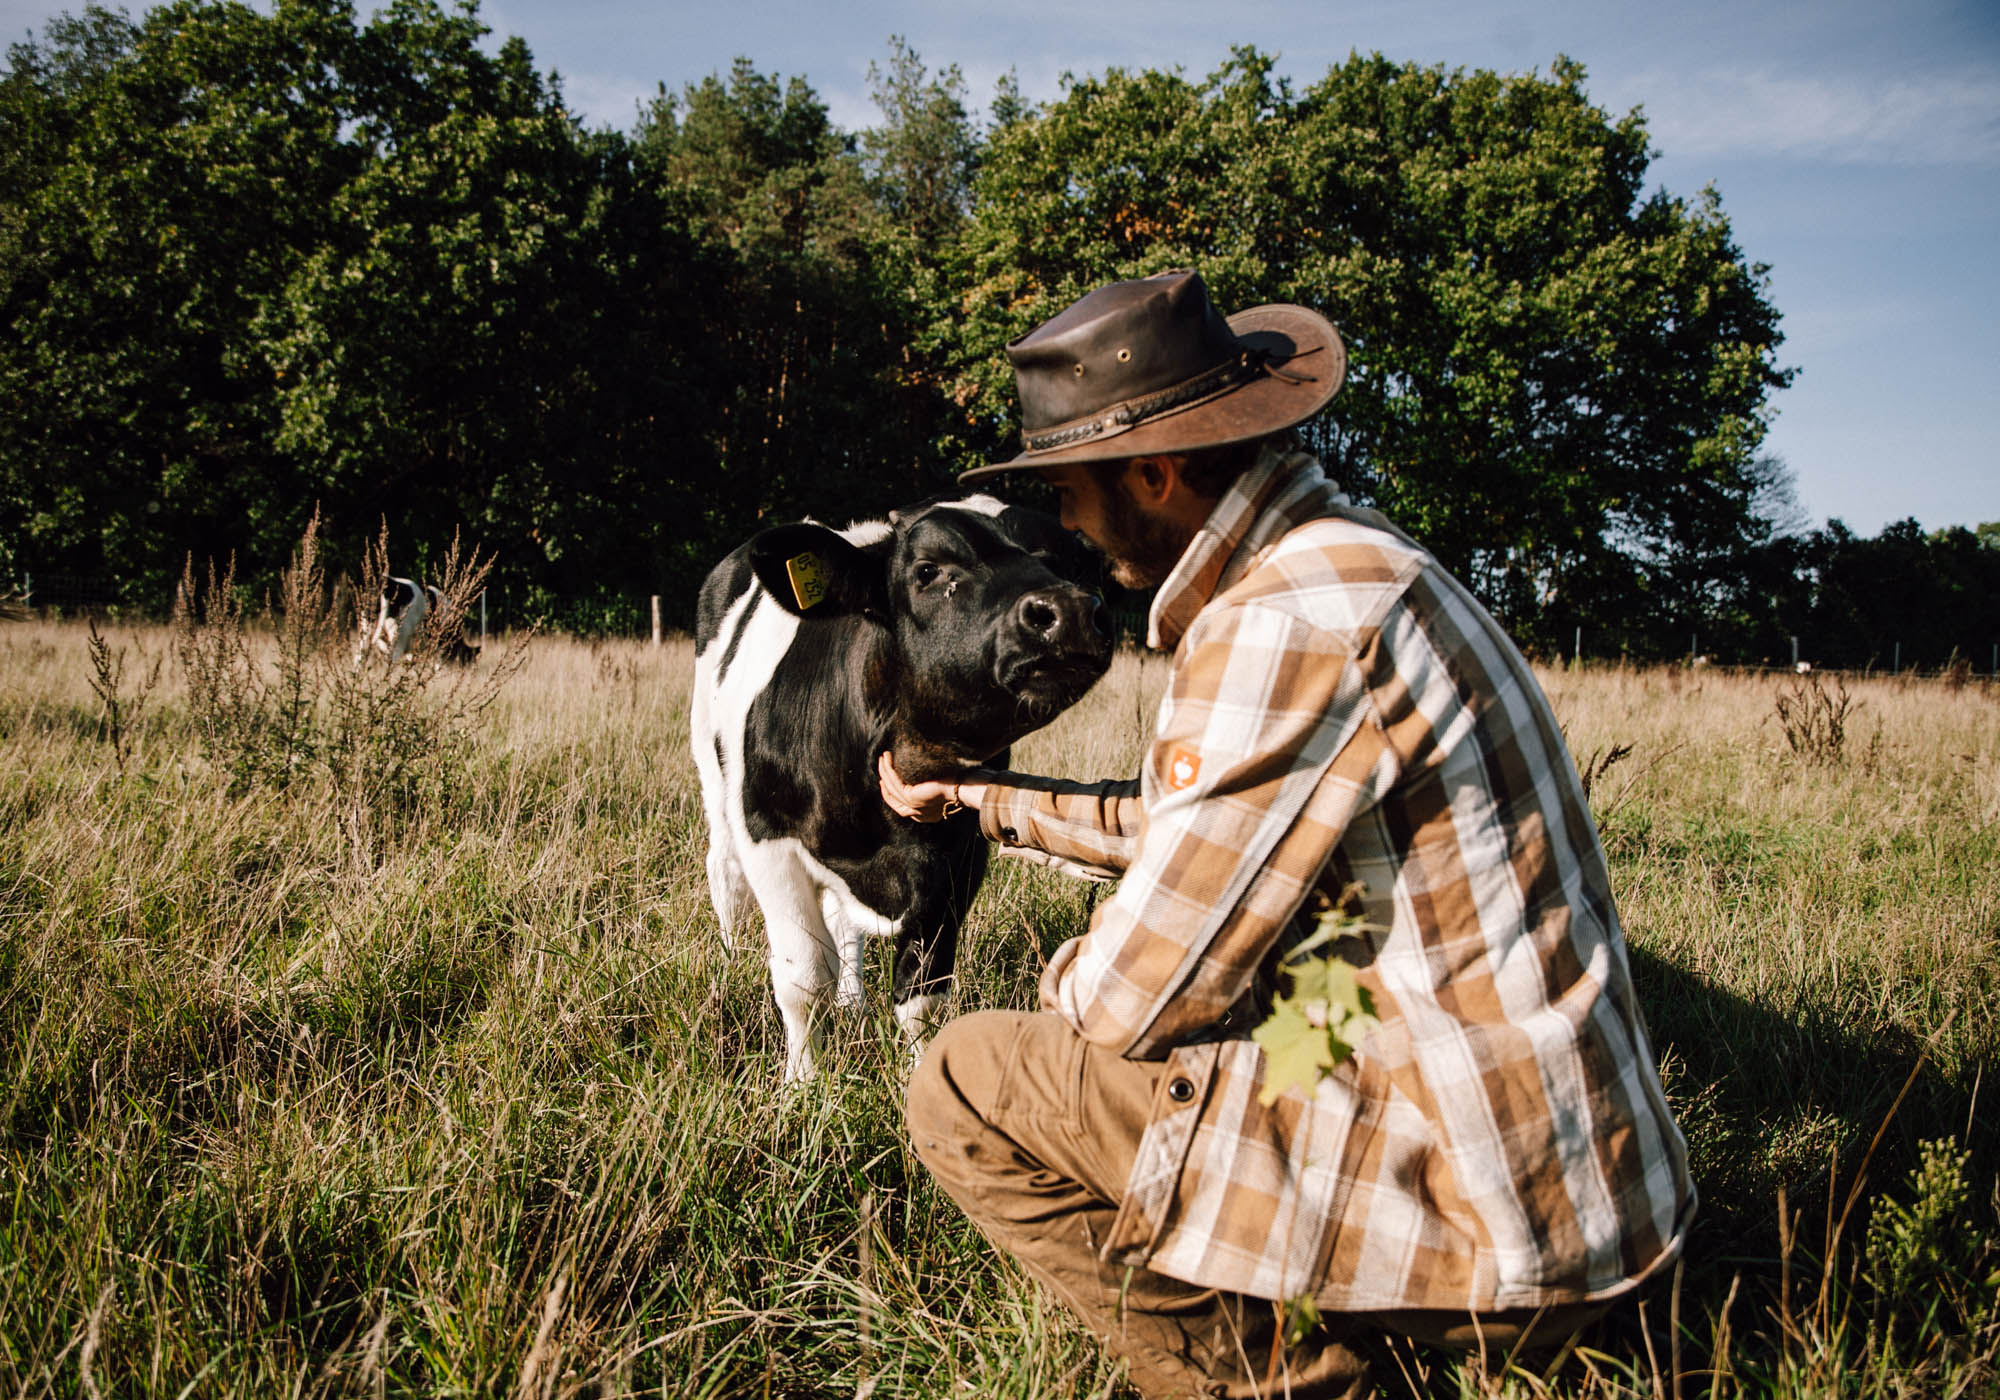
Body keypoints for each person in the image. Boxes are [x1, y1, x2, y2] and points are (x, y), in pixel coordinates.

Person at [878, 270, 1695, 1398]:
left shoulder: (1281, 623)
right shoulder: (1345, 562)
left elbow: (1131, 1001)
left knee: (962, 1081)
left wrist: (1069, 963)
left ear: (1153, 474)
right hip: (1588, 1201)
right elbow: (1191, 829)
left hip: (1514, 1246)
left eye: (1069, 489)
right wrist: (983, 799)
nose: (1062, 524)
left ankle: (1295, 1377)